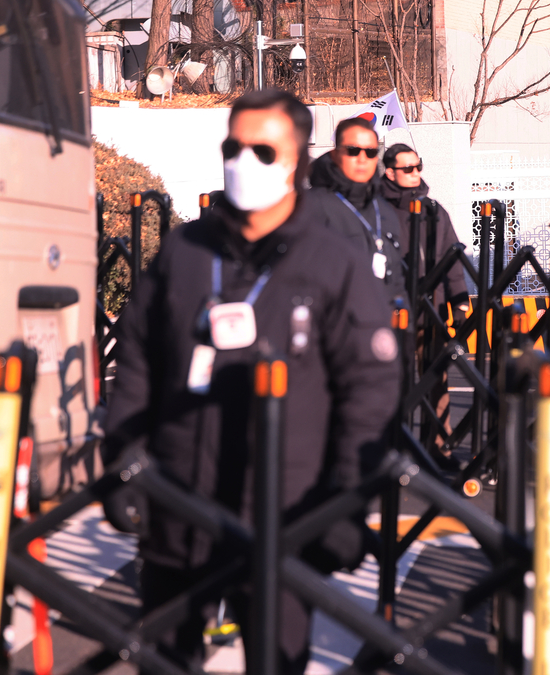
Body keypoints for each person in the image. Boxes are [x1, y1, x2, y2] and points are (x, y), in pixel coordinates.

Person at [101, 89, 401, 672]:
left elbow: (369, 389)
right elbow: (137, 358)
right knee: (162, 658)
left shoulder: (333, 258)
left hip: (284, 514)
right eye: (233, 147)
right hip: (178, 503)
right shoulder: (186, 250)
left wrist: (345, 499)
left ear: (297, 158)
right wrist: (124, 460)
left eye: (262, 151)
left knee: (275, 658)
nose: (244, 162)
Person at [304, 117, 405, 302]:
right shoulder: (311, 206)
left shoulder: (383, 208)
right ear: (335, 154)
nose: (362, 159)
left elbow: (396, 281)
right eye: (353, 150)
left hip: (385, 323)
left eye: (371, 152)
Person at [379, 142, 469, 312]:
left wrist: (460, 304)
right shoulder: (376, 209)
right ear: (390, 173)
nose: (415, 173)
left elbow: (451, 259)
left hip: (433, 311)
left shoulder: (434, 210)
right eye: (408, 169)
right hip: (391, 312)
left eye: (418, 166)